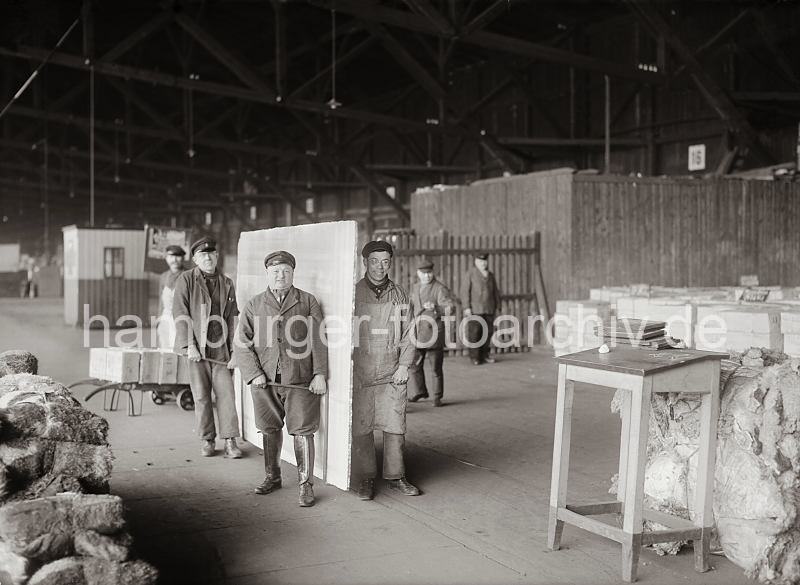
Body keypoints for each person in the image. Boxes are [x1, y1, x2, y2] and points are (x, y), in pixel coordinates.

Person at [234, 251, 328, 507]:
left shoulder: (307, 301)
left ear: (293, 273)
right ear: (267, 273)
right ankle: (272, 477)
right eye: (275, 271)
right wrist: (254, 375)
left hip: (299, 380)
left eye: (286, 271)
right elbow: (241, 343)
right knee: (268, 428)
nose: (280, 276)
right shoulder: (255, 304)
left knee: (303, 430)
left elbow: (319, 340)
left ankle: (305, 485)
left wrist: (319, 373)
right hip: (264, 381)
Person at [351, 240, 420, 501]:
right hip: (362, 371)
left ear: (391, 263)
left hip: (393, 370)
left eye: (385, 261)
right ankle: (366, 478)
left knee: (395, 425)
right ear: (364, 262)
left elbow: (409, 333)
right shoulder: (354, 293)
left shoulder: (400, 295)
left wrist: (404, 365)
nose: (380, 267)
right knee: (362, 426)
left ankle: (396, 476)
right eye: (374, 261)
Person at [173, 236, 242, 459]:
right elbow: (180, 313)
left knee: (227, 396)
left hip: (221, 351)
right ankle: (207, 440)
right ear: (195, 259)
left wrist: (235, 351)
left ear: (217, 256)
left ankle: (230, 440)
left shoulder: (227, 283)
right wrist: (189, 345)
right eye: (203, 255)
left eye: (211, 254)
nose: (208, 258)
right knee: (201, 397)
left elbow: (233, 318)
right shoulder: (186, 280)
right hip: (197, 352)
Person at [407, 259, 454, 407]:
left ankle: (437, 397)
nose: (427, 276)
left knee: (435, 367)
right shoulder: (414, 288)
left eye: (430, 273)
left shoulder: (439, 288)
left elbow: (450, 308)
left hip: (434, 333)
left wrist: (436, 308)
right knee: (414, 364)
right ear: (418, 273)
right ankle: (420, 391)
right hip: (417, 332)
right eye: (424, 273)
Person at [460, 252, 501, 366]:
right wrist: (466, 307)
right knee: (475, 333)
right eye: (480, 261)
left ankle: (485, 355)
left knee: (488, 332)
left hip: (489, 309)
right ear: (476, 262)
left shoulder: (490, 275)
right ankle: (475, 357)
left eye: (485, 261)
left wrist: (498, 307)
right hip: (475, 309)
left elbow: (495, 293)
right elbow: (464, 292)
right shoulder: (470, 274)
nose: (483, 263)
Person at [156, 245, 186, 350]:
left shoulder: (188, 276)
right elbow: (161, 301)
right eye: (171, 256)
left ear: (183, 258)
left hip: (182, 319)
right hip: (165, 317)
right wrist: (159, 319)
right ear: (166, 258)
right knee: (164, 348)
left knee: (178, 350)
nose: (174, 260)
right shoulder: (164, 277)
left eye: (178, 256)